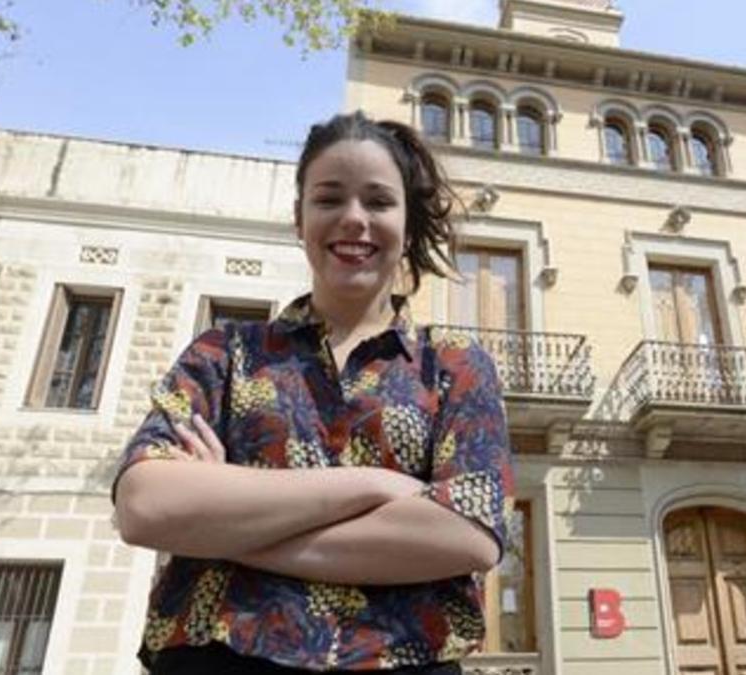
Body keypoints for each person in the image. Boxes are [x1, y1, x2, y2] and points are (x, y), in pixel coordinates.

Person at [112, 111, 514, 674]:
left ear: (408, 222)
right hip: (217, 658)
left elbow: (467, 534)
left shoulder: (454, 365)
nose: (354, 219)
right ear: (299, 220)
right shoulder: (224, 354)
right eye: (329, 199)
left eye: (378, 202)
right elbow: (145, 505)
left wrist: (222, 525)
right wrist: (377, 486)